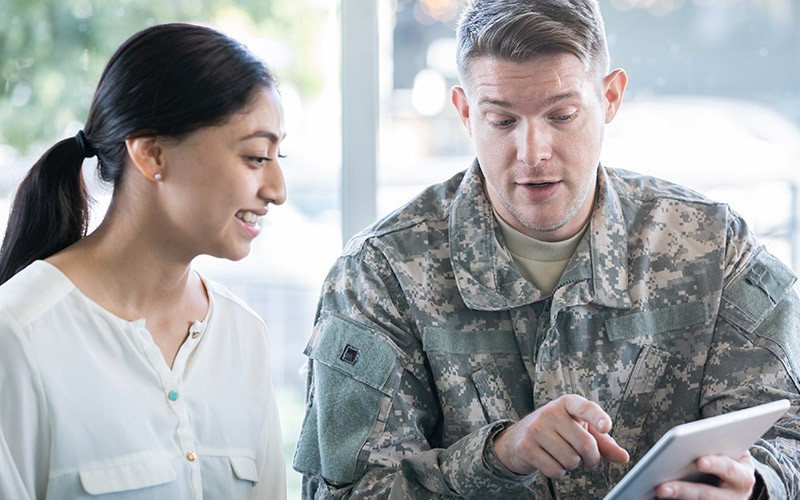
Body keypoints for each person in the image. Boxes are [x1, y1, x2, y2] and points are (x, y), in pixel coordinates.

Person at [292, 0, 800, 498]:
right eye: (503, 121)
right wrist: (496, 458)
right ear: (466, 113)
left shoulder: (713, 248)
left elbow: (788, 434)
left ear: (611, 98)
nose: (533, 153)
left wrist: (758, 485)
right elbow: (344, 492)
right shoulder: (382, 274)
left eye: (561, 115)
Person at [0, 23, 287, 499]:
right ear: (152, 154)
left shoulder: (244, 335)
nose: (277, 190)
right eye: (256, 156)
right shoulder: (18, 334)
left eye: (279, 156)